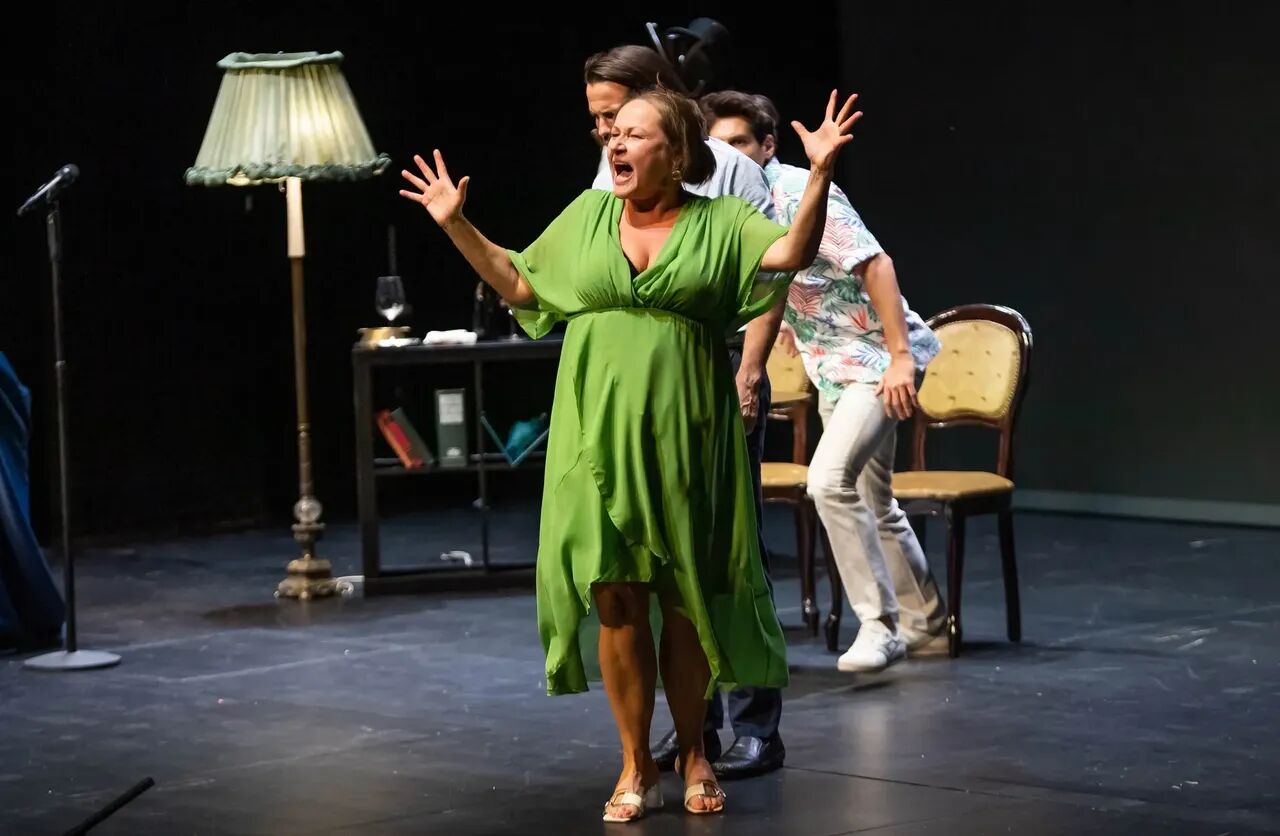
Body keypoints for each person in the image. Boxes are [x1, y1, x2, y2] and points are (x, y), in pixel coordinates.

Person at [401, 87, 860, 820]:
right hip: (594, 432)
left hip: (688, 428)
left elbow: (790, 253)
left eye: (635, 134)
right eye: (612, 132)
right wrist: (456, 224)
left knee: (684, 594)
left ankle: (694, 749)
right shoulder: (587, 216)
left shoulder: (721, 220)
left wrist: (821, 172)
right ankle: (633, 761)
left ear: (676, 155)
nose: (615, 142)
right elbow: (519, 280)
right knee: (614, 592)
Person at [583, 43, 788, 779]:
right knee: (653, 561)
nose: (606, 134)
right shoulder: (612, 167)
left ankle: (756, 724)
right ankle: (691, 726)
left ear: (659, 100)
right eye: (599, 122)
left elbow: (770, 277)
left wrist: (750, 371)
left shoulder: (729, 169)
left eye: (616, 116)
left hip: (711, 375)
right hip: (640, 391)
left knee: (726, 553)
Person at [702, 90, 947, 672]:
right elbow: (778, 282)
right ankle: (929, 623)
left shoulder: (797, 191)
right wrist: (791, 324)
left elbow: (875, 263)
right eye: (718, 145)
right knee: (873, 498)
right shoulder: (735, 207)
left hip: (874, 358)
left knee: (828, 481)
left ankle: (879, 625)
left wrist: (900, 358)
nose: (729, 154)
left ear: (767, 146)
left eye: (740, 142)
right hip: (832, 366)